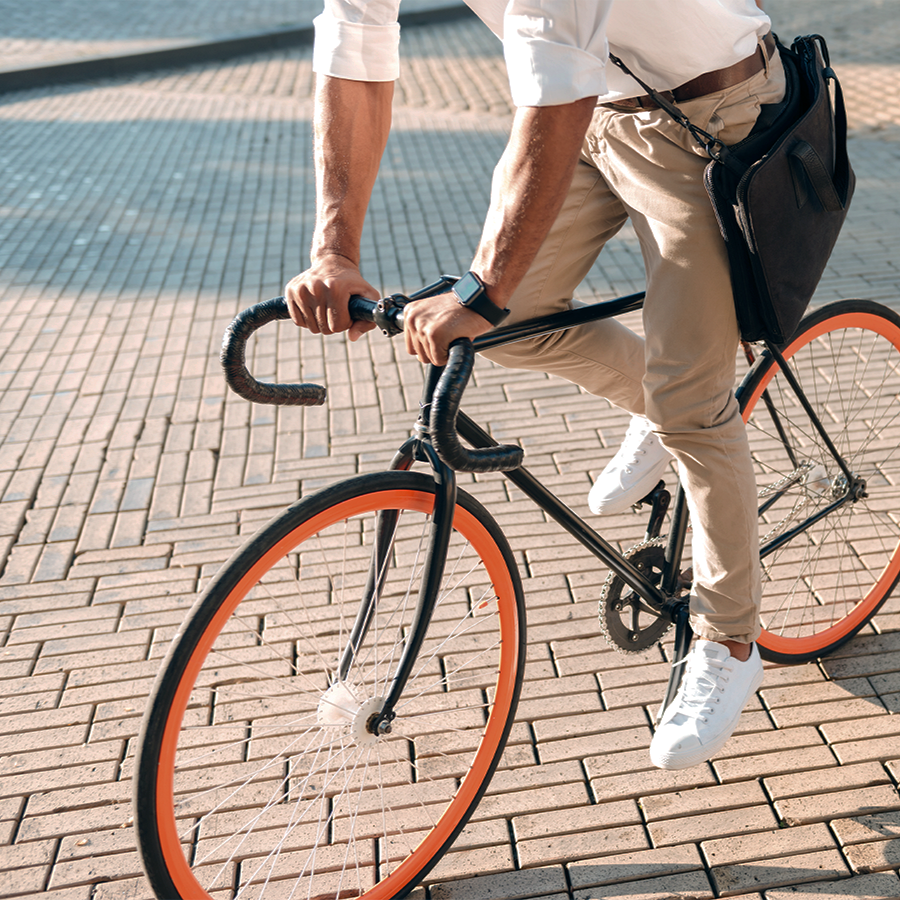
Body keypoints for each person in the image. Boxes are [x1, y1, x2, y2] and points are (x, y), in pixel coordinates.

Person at [285, 0, 782, 770]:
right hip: (593, 115)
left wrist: (479, 289)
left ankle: (728, 638)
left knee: (693, 399)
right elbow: (353, 45)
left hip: (712, 114)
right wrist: (333, 251)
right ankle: (659, 408)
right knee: (514, 324)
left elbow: (555, 86)